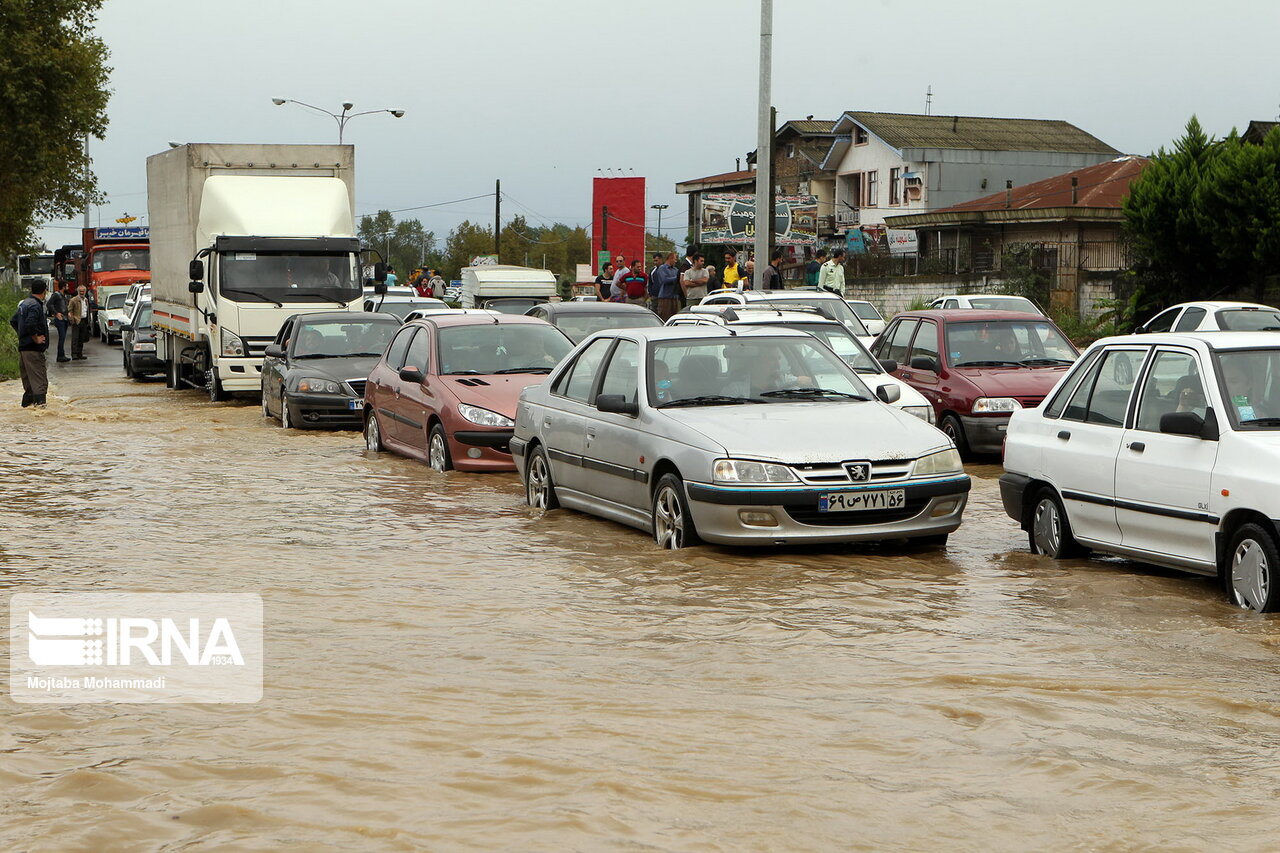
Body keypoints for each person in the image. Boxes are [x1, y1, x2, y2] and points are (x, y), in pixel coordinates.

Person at [14, 282, 49, 407]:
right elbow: (30, 323)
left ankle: (27, 416)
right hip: (33, 350)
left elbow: (14, 321)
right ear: (44, 291)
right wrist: (35, 338)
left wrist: (23, 337)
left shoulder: (24, 303)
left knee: (29, 385)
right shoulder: (35, 305)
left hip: (24, 349)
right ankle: (42, 416)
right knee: (40, 383)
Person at [650, 253, 681, 321]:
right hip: (665, 297)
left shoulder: (676, 270)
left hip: (674, 297)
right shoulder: (662, 268)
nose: (675, 261)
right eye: (675, 259)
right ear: (670, 258)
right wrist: (677, 278)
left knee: (675, 317)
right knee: (665, 317)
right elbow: (664, 280)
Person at [46, 282, 70, 363]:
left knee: (63, 338)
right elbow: (49, 304)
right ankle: (60, 356)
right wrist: (56, 313)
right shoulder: (56, 295)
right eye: (67, 286)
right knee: (62, 337)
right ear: (63, 287)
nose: (68, 287)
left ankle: (62, 354)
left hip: (65, 318)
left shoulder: (64, 296)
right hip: (60, 319)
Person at [67, 284, 92, 360]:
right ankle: (74, 354)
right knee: (75, 338)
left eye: (83, 291)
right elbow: (69, 310)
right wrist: (72, 319)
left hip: (84, 321)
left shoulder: (86, 300)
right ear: (78, 291)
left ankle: (79, 354)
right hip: (77, 320)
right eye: (80, 291)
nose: (82, 292)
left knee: (81, 338)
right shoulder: (74, 300)